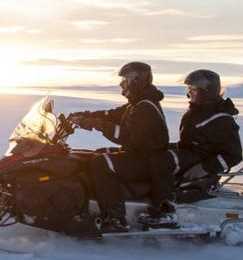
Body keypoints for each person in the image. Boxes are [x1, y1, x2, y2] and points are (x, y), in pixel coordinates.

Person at [69, 62, 169, 232]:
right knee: (95, 155)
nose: (121, 83)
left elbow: (127, 136)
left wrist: (99, 125)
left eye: (125, 79)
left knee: (101, 164)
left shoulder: (146, 107)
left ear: (137, 81)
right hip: (139, 154)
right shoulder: (138, 102)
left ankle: (115, 218)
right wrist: (85, 116)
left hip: (145, 160)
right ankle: (89, 205)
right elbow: (113, 114)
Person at [140, 69, 243, 227]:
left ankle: (166, 212)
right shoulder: (198, 111)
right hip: (193, 154)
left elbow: (234, 155)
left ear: (206, 91)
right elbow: (190, 143)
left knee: (162, 160)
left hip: (202, 160)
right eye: (189, 89)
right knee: (156, 151)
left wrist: (205, 167)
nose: (189, 93)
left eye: (193, 89)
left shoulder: (221, 119)